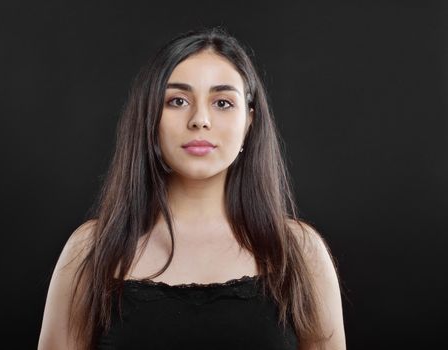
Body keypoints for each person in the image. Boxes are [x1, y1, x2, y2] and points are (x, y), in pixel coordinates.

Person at [38, 27, 346, 350]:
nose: (200, 119)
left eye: (223, 102)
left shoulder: (300, 254)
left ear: (249, 121)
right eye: (178, 100)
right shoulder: (90, 251)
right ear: (151, 118)